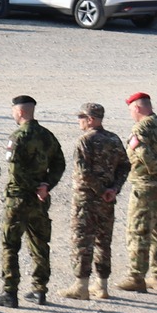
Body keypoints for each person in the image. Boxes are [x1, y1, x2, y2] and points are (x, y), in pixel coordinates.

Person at [0, 95, 65, 307]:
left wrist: (34, 187)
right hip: (40, 200)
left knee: (10, 245)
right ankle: (40, 290)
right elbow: (59, 163)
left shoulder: (18, 137)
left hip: (19, 200)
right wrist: (46, 185)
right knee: (40, 244)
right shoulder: (47, 136)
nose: (13, 114)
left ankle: (10, 293)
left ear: (21, 112)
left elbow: (15, 171)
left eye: (14, 110)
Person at [61, 102, 130, 300]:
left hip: (87, 200)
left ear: (90, 119)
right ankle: (102, 285)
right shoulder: (113, 138)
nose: (79, 121)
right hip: (107, 200)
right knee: (103, 241)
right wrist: (113, 189)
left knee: (82, 240)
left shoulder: (85, 141)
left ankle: (81, 286)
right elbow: (125, 166)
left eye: (81, 117)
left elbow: (83, 174)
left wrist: (101, 191)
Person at [118, 92, 157, 293]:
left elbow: (141, 153)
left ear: (137, 108)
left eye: (131, 110)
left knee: (138, 231)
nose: (131, 114)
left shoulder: (140, 128)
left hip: (146, 187)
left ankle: (136, 276)